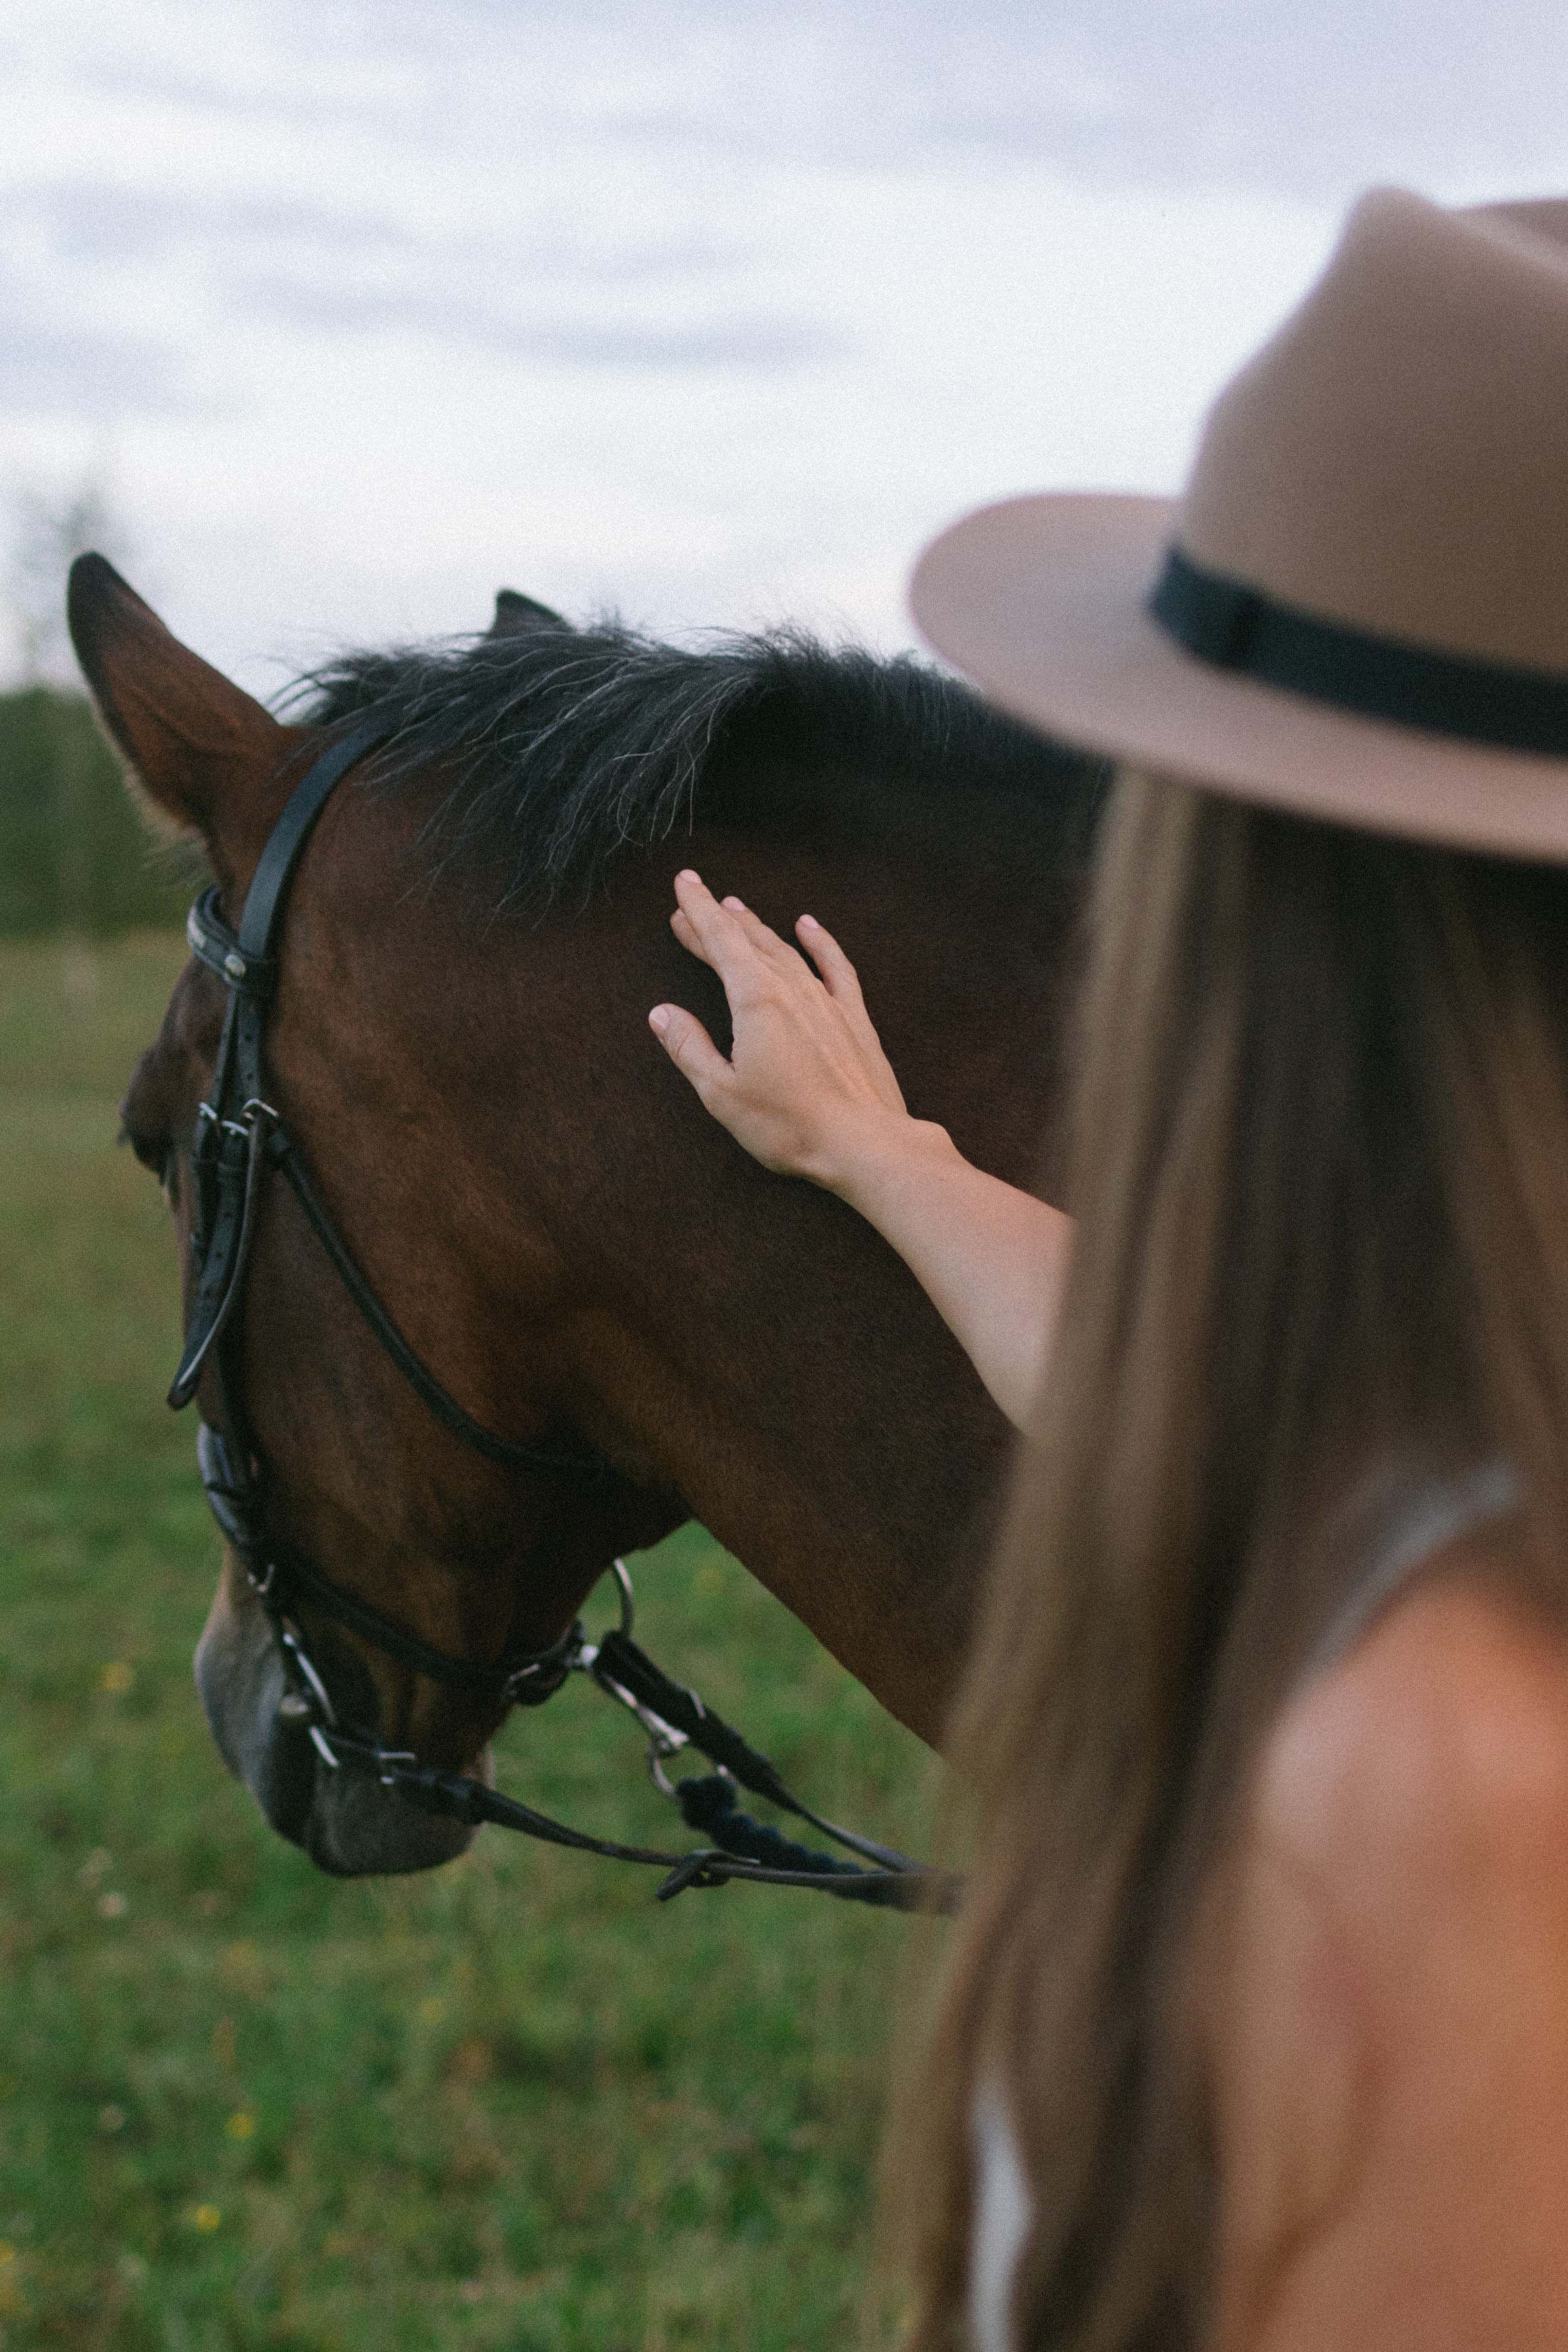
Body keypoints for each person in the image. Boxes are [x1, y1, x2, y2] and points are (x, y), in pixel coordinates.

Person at [650, 186, 1568, 2349]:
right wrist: (880, 1156)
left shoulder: (1425, 1811)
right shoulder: (1467, 1443)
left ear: (1213, 886)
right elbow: (1224, 1403)